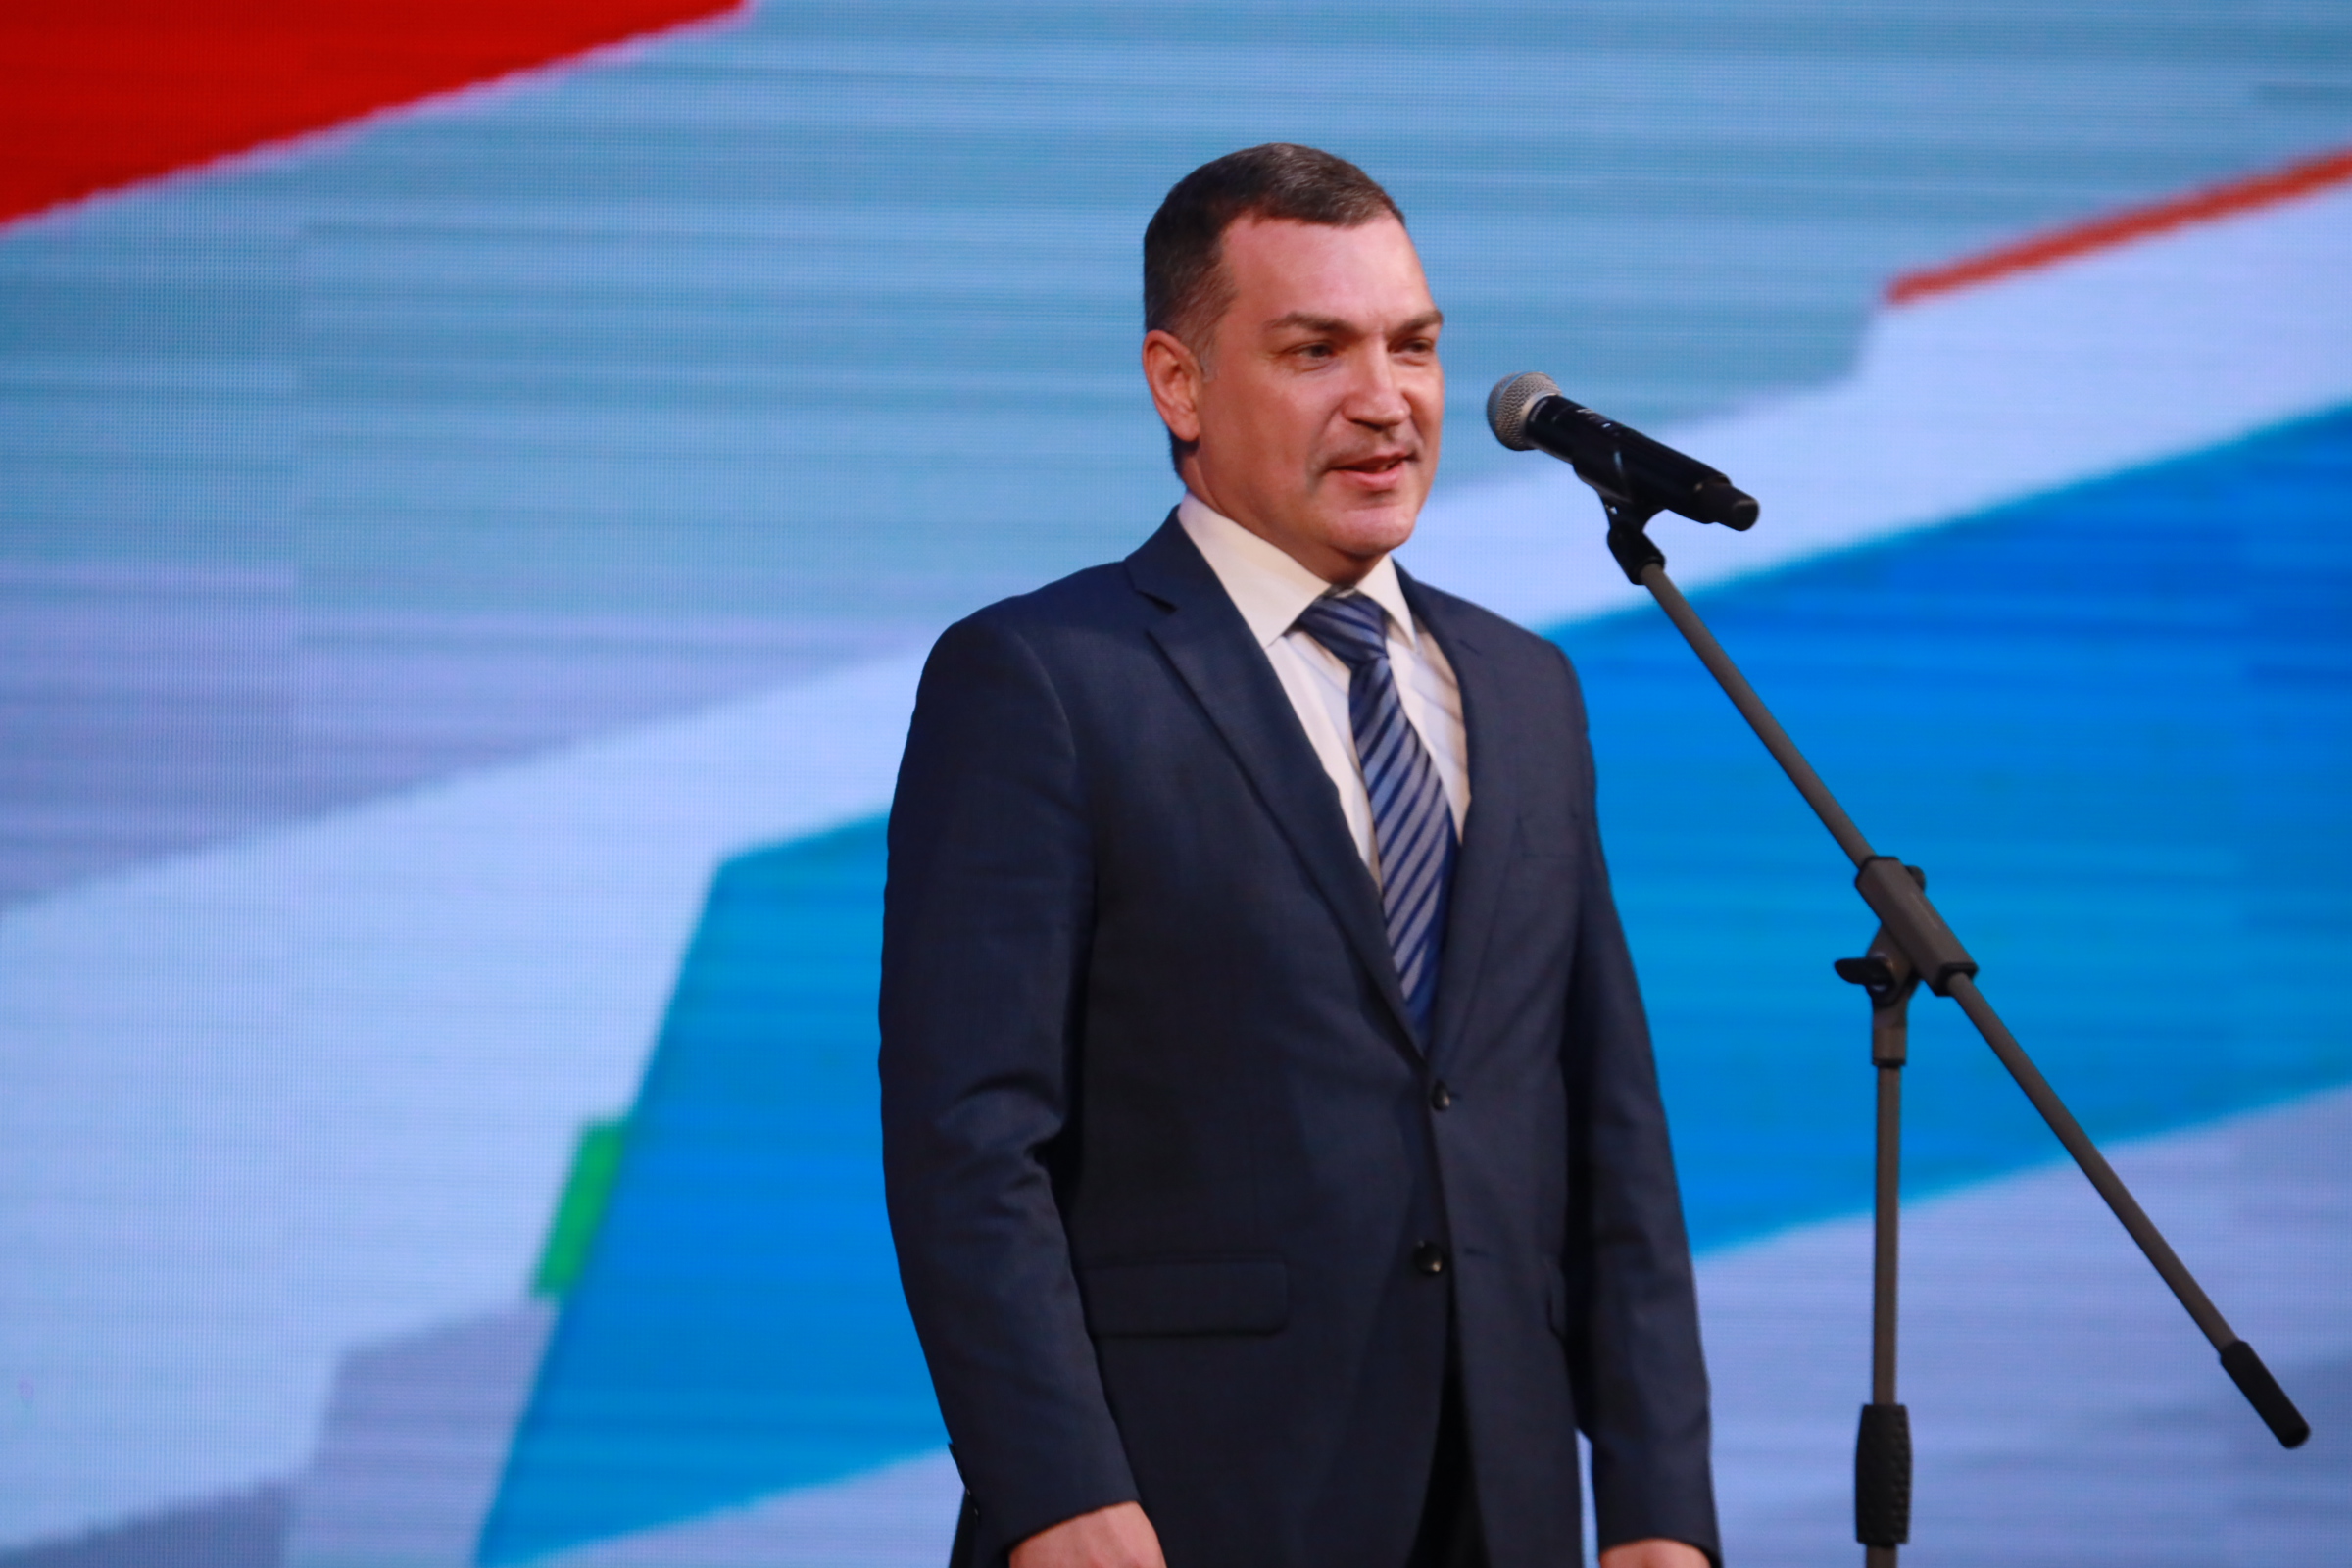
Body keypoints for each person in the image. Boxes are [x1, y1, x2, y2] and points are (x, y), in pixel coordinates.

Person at [880, 143, 1719, 1568]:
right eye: (1315, 350)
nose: (1386, 399)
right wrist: (1058, 1492)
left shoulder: (1524, 689)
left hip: (1502, 1507)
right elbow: (969, 1139)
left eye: (1414, 345)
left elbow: (1608, 1132)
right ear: (1179, 383)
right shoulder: (1046, 678)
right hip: (1180, 1506)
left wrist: (1659, 1513)